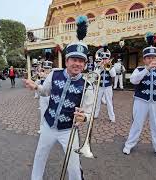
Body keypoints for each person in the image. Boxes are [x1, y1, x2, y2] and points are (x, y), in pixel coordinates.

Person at [23, 15, 95, 180]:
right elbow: (45, 92)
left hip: (68, 131)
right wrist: (36, 87)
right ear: (67, 61)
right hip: (48, 125)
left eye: (81, 61)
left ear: (84, 65)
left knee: (74, 167)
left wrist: (83, 117)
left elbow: (89, 114)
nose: (77, 64)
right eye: (74, 60)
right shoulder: (54, 74)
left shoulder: (87, 86)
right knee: (40, 156)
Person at [123, 33, 156, 161]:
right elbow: (134, 81)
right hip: (141, 101)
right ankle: (129, 145)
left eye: (153, 57)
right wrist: (146, 69)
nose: (151, 60)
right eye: (149, 58)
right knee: (137, 124)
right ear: (144, 59)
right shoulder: (139, 69)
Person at [94, 45, 116, 122]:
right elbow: (95, 75)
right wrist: (100, 67)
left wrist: (107, 65)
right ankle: (95, 115)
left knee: (109, 102)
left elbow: (113, 75)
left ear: (108, 59)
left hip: (108, 87)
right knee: (97, 102)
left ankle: (112, 118)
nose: (104, 60)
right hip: (99, 87)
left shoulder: (111, 66)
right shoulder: (98, 66)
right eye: (103, 59)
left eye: (106, 59)